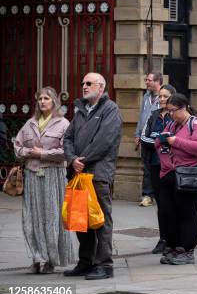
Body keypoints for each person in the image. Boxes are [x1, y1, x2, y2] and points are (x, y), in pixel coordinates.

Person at [63, 73, 122, 280]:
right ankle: (86, 262)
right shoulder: (80, 110)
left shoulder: (110, 109)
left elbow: (104, 141)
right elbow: (67, 138)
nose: (84, 86)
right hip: (78, 173)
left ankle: (105, 265)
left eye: (89, 83)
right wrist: (72, 159)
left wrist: (81, 160)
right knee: (81, 220)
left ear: (101, 86)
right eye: (83, 83)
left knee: (101, 220)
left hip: (97, 174)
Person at [13, 87, 74, 274]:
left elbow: (66, 152)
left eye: (46, 98)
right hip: (32, 176)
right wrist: (26, 152)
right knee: (31, 219)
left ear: (54, 101)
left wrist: (43, 153)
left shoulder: (63, 124)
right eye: (40, 99)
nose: (42, 102)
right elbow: (17, 146)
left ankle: (50, 260)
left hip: (53, 176)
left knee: (51, 218)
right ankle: (36, 257)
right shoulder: (30, 123)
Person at [155, 94, 197, 265]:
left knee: (188, 212)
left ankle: (187, 250)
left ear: (183, 108)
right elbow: (158, 143)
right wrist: (166, 158)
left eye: (173, 111)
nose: (170, 114)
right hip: (171, 174)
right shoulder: (172, 124)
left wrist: (175, 141)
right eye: (168, 111)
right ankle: (174, 247)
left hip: (191, 174)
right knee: (168, 213)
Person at [142, 84, 176, 254]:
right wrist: (160, 141)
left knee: (172, 203)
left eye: (165, 96)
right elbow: (144, 137)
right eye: (160, 96)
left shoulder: (175, 116)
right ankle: (163, 238)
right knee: (161, 204)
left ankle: (173, 238)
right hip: (155, 165)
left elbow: (175, 140)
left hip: (172, 166)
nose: (161, 99)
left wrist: (159, 139)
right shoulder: (153, 115)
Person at [135, 72, 162, 207]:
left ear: (157, 82)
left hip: (159, 138)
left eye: (149, 80)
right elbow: (141, 117)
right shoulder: (146, 96)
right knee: (147, 167)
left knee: (161, 166)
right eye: (146, 79)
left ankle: (160, 194)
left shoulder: (164, 96)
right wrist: (137, 135)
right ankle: (147, 195)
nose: (146, 82)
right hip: (145, 138)